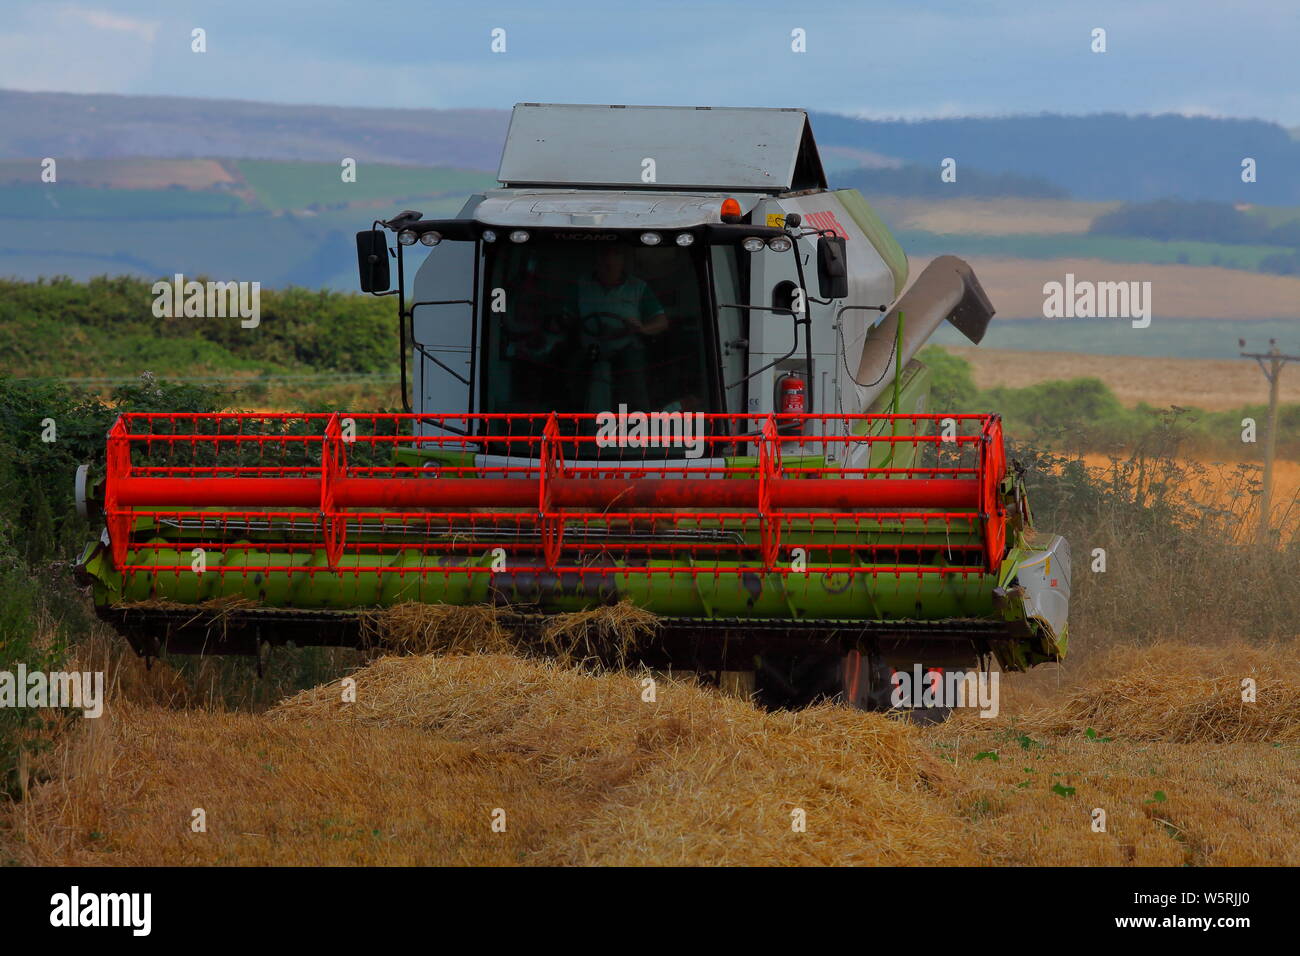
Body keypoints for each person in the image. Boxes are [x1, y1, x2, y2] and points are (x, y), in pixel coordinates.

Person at [573, 245, 668, 411]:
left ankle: (641, 424)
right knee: (570, 378)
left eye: (615, 255)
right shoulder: (581, 285)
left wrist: (642, 328)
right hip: (589, 349)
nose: (609, 262)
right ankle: (569, 422)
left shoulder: (638, 287)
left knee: (636, 386)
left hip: (627, 348)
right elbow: (565, 317)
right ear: (597, 260)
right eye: (604, 256)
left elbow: (662, 322)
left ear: (623, 260)